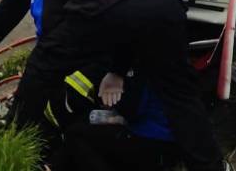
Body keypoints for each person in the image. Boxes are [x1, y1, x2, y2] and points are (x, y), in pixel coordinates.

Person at [9, 0, 227, 171]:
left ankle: (10, 142)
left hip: (103, 4)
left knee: (41, 68)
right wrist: (118, 69)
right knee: (180, 95)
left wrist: (51, 62)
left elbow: (45, 22)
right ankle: (212, 166)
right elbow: (131, 9)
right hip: (165, 1)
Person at [44, 66, 181, 171]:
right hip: (168, 140)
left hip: (151, 140)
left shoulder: (140, 62)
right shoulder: (163, 55)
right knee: (84, 126)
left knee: (75, 134)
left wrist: (112, 95)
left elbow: (131, 110)